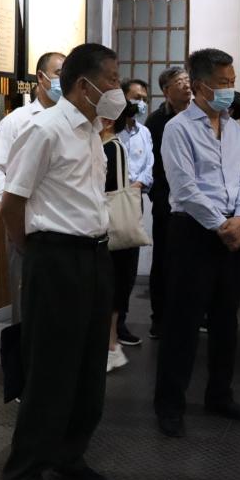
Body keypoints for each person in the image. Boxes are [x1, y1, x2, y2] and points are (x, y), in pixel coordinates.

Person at [0, 43, 124, 480]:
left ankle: (69, 457)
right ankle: (24, 476)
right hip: (55, 258)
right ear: (83, 84)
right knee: (51, 370)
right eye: (111, 79)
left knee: (90, 368)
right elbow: (13, 201)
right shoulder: (44, 129)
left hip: (94, 256)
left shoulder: (92, 131)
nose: (116, 88)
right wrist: (33, 251)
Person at [153, 48, 240, 438]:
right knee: (183, 322)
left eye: (232, 82)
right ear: (199, 86)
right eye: (223, 83)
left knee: (227, 320)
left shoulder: (234, 129)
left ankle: (220, 394)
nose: (230, 89)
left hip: (232, 231)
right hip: (193, 232)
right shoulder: (178, 128)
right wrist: (221, 225)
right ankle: (169, 404)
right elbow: (184, 188)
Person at [0, 51, 64, 324]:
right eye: (59, 74)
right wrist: (14, 203)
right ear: (41, 77)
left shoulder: (73, 120)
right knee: (27, 302)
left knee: (60, 306)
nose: (64, 81)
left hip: (64, 228)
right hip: (27, 226)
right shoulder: (18, 120)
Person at [145, 67, 192, 339]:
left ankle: (190, 315)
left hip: (195, 202)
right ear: (166, 90)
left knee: (192, 261)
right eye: (179, 82)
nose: (186, 86)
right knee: (164, 259)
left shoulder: (198, 116)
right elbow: (151, 163)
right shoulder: (156, 121)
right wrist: (159, 196)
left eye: (187, 80)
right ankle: (159, 317)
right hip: (166, 201)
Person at [102, 99, 144, 372]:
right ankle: (110, 346)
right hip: (110, 229)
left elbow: (112, 188)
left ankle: (111, 346)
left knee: (112, 290)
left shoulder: (112, 147)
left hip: (112, 230)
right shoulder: (107, 144)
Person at [115, 79, 155, 346]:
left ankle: (121, 321)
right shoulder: (110, 129)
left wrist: (138, 184)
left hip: (133, 202)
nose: (140, 103)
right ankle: (105, 325)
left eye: (144, 98)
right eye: (135, 97)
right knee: (110, 266)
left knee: (128, 267)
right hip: (110, 202)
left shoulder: (144, 132)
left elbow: (149, 165)